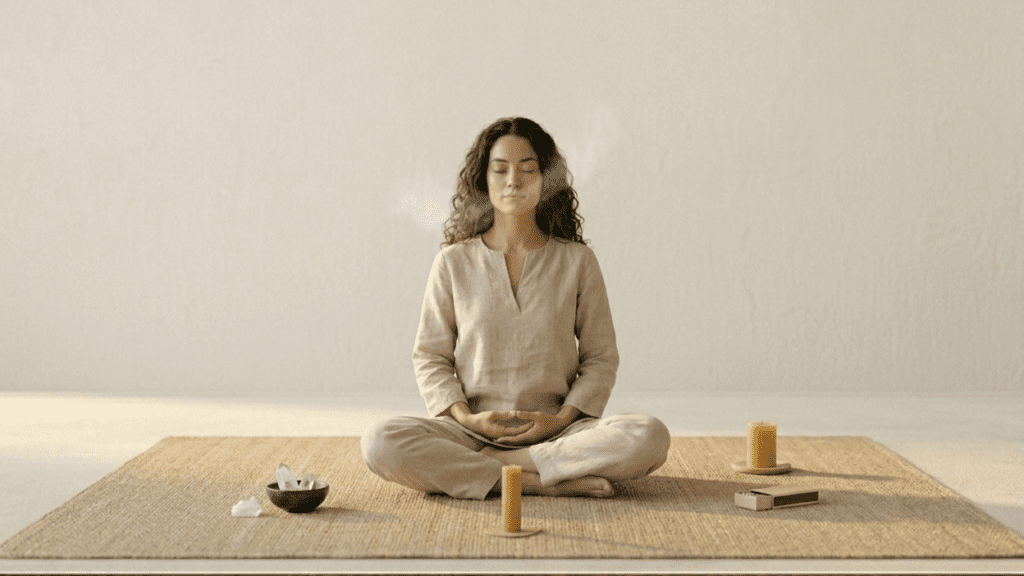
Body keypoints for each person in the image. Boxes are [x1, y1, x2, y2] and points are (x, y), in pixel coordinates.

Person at [361, 117, 670, 500]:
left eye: (528, 169)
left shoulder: (577, 261)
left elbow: (600, 358)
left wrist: (559, 420)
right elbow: (430, 357)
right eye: (501, 169)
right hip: (470, 433)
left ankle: (498, 468)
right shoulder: (453, 262)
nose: (514, 181)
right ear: (483, 180)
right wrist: (466, 417)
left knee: (649, 436)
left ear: (545, 179)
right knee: (380, 441)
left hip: (559, 432)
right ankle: (534, 480)